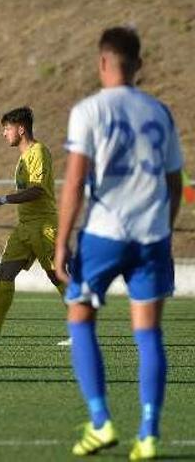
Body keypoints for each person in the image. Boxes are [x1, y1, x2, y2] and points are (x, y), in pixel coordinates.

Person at [55, 27, 182, 459]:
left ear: (102, 62)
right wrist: (163, 229)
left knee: (81, 318)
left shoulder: (89, 110)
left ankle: (100, 422)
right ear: (138, 65)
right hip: (152, 234)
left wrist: (61, 243)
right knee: (148, 333)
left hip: (105, 233)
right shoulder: (160, 112)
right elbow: (175, 180)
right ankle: (147, 434)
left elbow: (73, 181)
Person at [0, 107, 67, 346]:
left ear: (21, 129)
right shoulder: (22, 157)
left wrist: (3, 199)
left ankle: (83, 332)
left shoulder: (38, 152)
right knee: (5, 273)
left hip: (44, 225)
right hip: (25, 226)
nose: (4, 133)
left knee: (57, 275)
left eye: (6, 128)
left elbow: (38, 189)